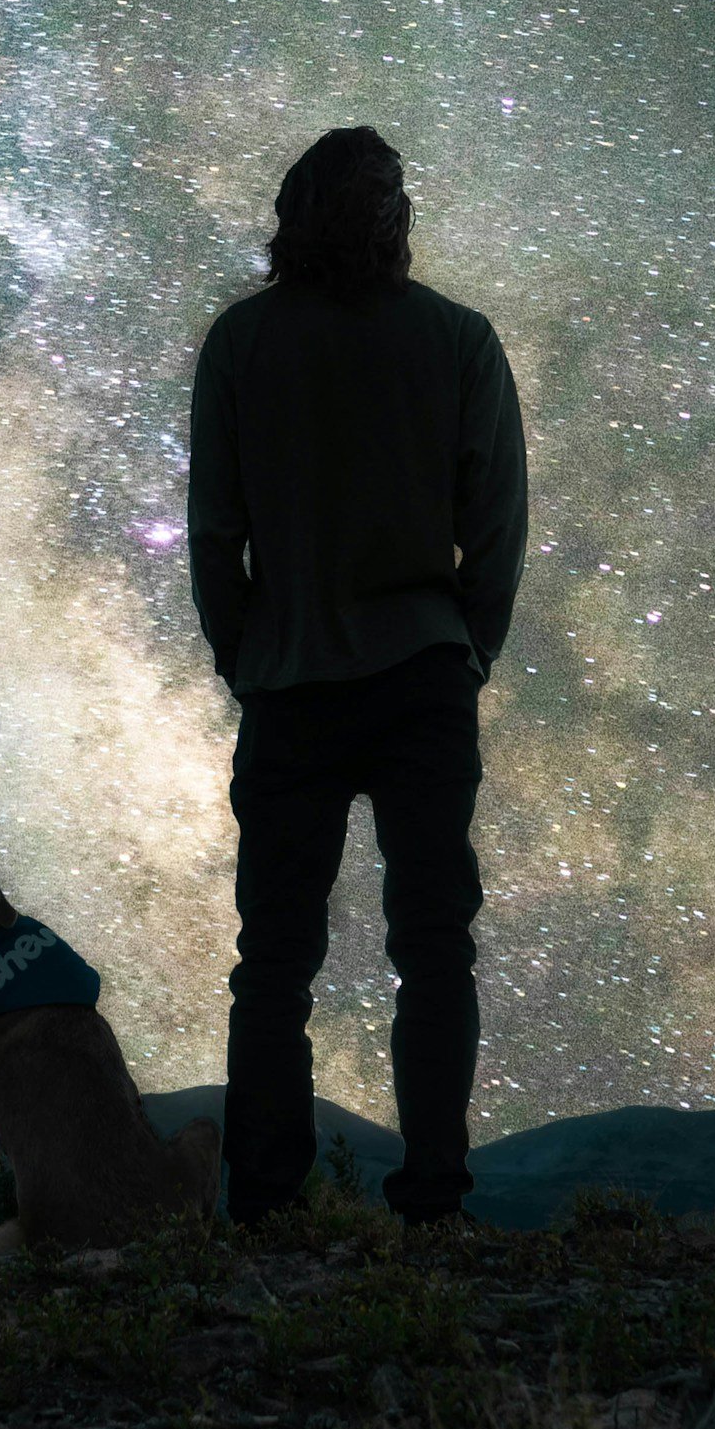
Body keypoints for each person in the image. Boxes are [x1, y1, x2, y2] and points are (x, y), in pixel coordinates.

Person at [186, 125, 527, 1232]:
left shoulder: (243, 344)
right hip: (423, 673)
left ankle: (267, 1200)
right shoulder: (460, 341)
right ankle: (433, 1193)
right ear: (397, 219)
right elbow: (498, 526)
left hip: (290, 681)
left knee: (274, 960)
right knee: (433, 944)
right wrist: (468, 648)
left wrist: (242, 653)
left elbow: (215, 529)